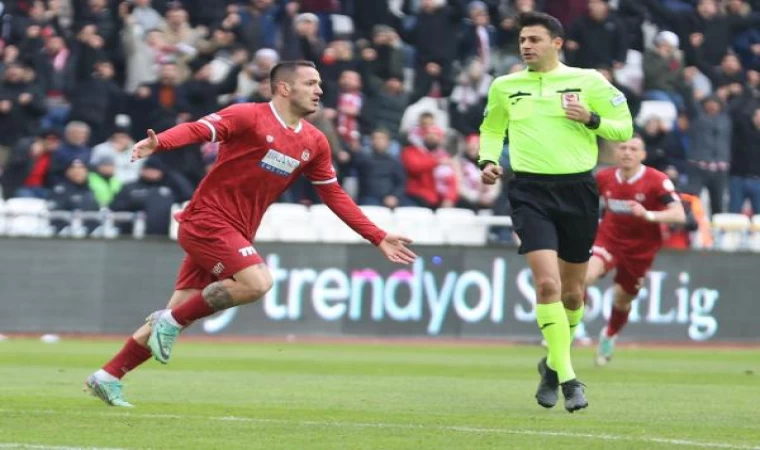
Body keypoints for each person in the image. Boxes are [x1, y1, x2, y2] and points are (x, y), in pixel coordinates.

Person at [84, 61, 417, 407]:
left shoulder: (314, 142)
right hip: (207, 220)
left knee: (181, 314)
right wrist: (161, 144)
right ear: (285, 88)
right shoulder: (248, 116)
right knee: (257, 283)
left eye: (319, 84)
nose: (320, 90)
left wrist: (376, 235)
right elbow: (199, 130)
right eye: (311, 83)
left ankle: (108, 375)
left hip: (237, 230)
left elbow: (333, 194)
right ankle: (167, 321)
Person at [478, 12, 633, 413]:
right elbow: (492, 128)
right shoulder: (505, 86)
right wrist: (487, 160)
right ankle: (569, 379)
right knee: (546, 286)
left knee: (572, 292)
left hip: (579, 190)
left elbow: (624, 128)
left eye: (534, 39)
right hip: (530, 191)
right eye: (522, 40)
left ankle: (551, 366)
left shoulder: (589, 82)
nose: (526, 45)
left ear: (557, 43)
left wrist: (592, 119)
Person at [588, 136, 685, 365]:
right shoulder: (604, 177)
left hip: (641, 247)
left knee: (622, 300)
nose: (627, 152)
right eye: (623, 148)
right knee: (585, 277)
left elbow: (679, 215)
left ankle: (609, 335)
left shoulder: (656, 180)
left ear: (642, 155)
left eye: (633, 149)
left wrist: (648, 214)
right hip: (609, 239)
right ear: (616, 153)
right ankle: (570, 328)